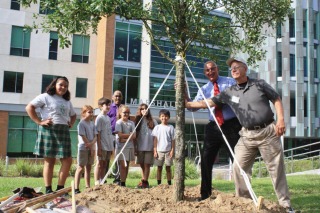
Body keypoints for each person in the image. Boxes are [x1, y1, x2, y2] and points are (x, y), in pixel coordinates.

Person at [185, 57, 293, 211]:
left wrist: (281, 120)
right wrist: (186, 102)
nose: (233, 69)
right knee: (238, 168)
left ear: (245, 69)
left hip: (267, 131)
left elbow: (276, 99)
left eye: (236, 67)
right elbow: (206, 103)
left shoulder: (259, 84)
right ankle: (245, 203)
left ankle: (286, 206)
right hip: (247, 135)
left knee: (276, 170)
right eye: (231, 68)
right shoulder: (229, 92)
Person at [185, 61, 241, 201]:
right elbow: (192, 107)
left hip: (231, 125)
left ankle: (242, 194)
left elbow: (238, 98)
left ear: (217, 69)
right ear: (205, 73)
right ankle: (205, 194)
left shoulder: (229, 81)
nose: (210, 72)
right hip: (213, 125)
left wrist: (225, 99)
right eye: (207, 70)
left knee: (239, 159)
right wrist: (184, 95)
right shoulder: (203, 89)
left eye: (213, 69)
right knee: (205, 160)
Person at [25, 76, 76, 194]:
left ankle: (60, 189)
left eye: (66, 86)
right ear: (54, 85)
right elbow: (29, 107)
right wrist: (39, 122)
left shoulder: (67, 101)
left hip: (63, 130)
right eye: (61, 85)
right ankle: (48, 189)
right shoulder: (45, 97)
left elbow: (73, 115)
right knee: (50, 161)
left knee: (67, 160)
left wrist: (71, 123)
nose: (63, 87)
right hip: (49, 129)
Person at [134, 103, 158, 188]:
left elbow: (156, 136)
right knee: (141, 165)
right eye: (142, 109)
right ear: (140, 111)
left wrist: (155, 148)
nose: (145, 110)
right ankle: (144, 181)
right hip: (140, 146)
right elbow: (135, 135)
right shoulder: (137, 121)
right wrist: (135, 147)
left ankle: (144, 181)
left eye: (146, 108)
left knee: (147, 164)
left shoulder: (153, 121)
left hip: (149, 146)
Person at [74, 105, 97, 194]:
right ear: (84, 113)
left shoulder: (92, 123)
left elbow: (95, 136)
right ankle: (76, 188)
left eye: (92, 112)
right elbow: (83, 136)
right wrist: (90, 145)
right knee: (80, 167)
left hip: (91, 147)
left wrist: (92, 145)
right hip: (83, 148)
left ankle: (87, 187)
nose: (91, 114)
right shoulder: (81, 124)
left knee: (89, 167)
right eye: (89, 112)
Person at [114, 105, 136, 187]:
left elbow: (134, 136)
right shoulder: (118, 123)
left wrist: (126, 137)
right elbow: (120, 135)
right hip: (121, 147)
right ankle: (121, 182)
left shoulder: (131, 123)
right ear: (120, 113)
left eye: (127, 112)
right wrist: (129, 135)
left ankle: (124, 182)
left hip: (130, 147)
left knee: (127, 165)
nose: (126, 114)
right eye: (124, 112)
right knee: (123, 165)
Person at [152, 109, 175, 186]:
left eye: (166, 116)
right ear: (159, 117)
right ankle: (159, 184)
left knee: (168, 168)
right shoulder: (157, 127)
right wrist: (155, 150)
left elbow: (173, 140)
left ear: (168, 117)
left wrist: (172, 150)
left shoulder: (171, 127)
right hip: (159, 151)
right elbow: (155, 139)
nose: (164, 118)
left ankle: (169, 183)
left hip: (168, 151)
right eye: (162, 116)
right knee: (159, 168)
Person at [94, 97, 114, 185]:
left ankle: (102, 180)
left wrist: (111, 147)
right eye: (106, 105)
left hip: (108, 145)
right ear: (101, 106)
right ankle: (96, 181)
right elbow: (97, 133)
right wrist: (99, 147)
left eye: (109, 105)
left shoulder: (108, 118)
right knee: (99, 163)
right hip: (101, 145)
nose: (108, 106)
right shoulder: (99, 118)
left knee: (105, 164)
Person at [108, 90, 123, 184]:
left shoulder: (123, 108)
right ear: (113, 97)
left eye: (119, 96)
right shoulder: (109, 108)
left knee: (118, 157)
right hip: (110, 136)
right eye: (116, 96)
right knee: (106, 158)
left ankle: (117, 179)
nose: (118, 98)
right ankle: (103, 178)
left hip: (120, 136)